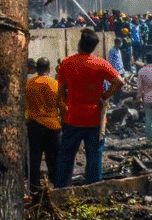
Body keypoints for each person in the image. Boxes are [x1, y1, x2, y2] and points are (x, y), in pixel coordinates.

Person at [53, 28, 124, 187]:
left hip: (73, 117)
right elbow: (119, 82)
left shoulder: (66, 63)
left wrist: (64, 109)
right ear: (93, 47)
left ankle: (61, 189)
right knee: (94, 156)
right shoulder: (100, 63)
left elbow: (61, 91)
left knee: (66, 156)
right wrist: (104, 96)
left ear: (79, 44)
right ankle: (94, 189)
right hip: (95, 119)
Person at [26, 57, 61, 193]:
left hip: (34, 125)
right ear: (49, 69)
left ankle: (34, 189)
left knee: (34, 158)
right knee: (54, 159)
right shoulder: (55, 84)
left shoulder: (29, 84)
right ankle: (56, 187)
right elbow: (62, 105)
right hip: (53, 126)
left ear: (37, 69)